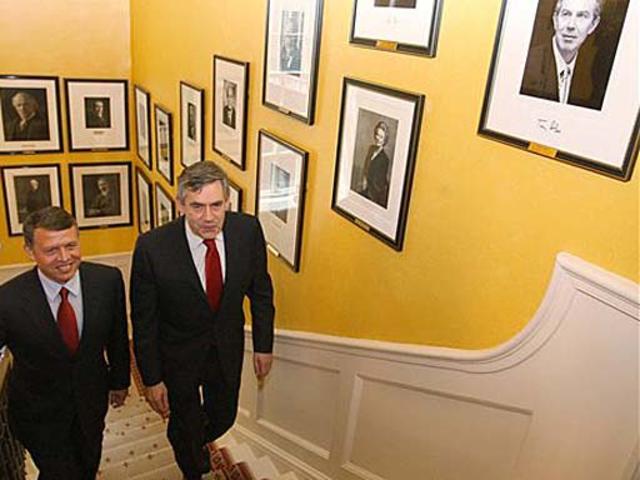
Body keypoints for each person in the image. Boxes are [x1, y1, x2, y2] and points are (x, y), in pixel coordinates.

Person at [131, 161, 275, 480]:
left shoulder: (247, 231)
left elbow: (261, 291)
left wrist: (264, 345)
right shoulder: (152, 247)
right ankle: (192, 467)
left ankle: (189, 437)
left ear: (227, 202)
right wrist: (152, 380)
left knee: (223, 416)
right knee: (185, 420)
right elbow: (144, 321)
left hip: (226, 348)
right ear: (181, 204)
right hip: (177, 354)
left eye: (216, 205)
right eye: (197, 207)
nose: (208, 217)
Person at [0, 207, 130, 479]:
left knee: (88, 463)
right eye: (51, 250)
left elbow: (117, 336)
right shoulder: (7, 300)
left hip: (91, 404)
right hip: (38, 415)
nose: (64, 258)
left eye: (71, 245)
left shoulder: (107, 281)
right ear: (29, 251)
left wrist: (119, 381)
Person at [520, 0, 606, 110]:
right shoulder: (527, 64)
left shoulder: (592, 78)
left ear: (593, 25)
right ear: (555, 19)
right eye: (566, 14)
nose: (571, 25)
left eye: (582, 16)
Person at [357, 121, 391, 208]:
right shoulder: (371, 149)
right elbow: (366, 167)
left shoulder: (385, 159)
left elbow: (379, 183)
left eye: (381, 137)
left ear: (385, 139)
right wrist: (364, 180)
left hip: (375, 193)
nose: (377, 138)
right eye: (377, 135)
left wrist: (368, 185)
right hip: (366, 187)